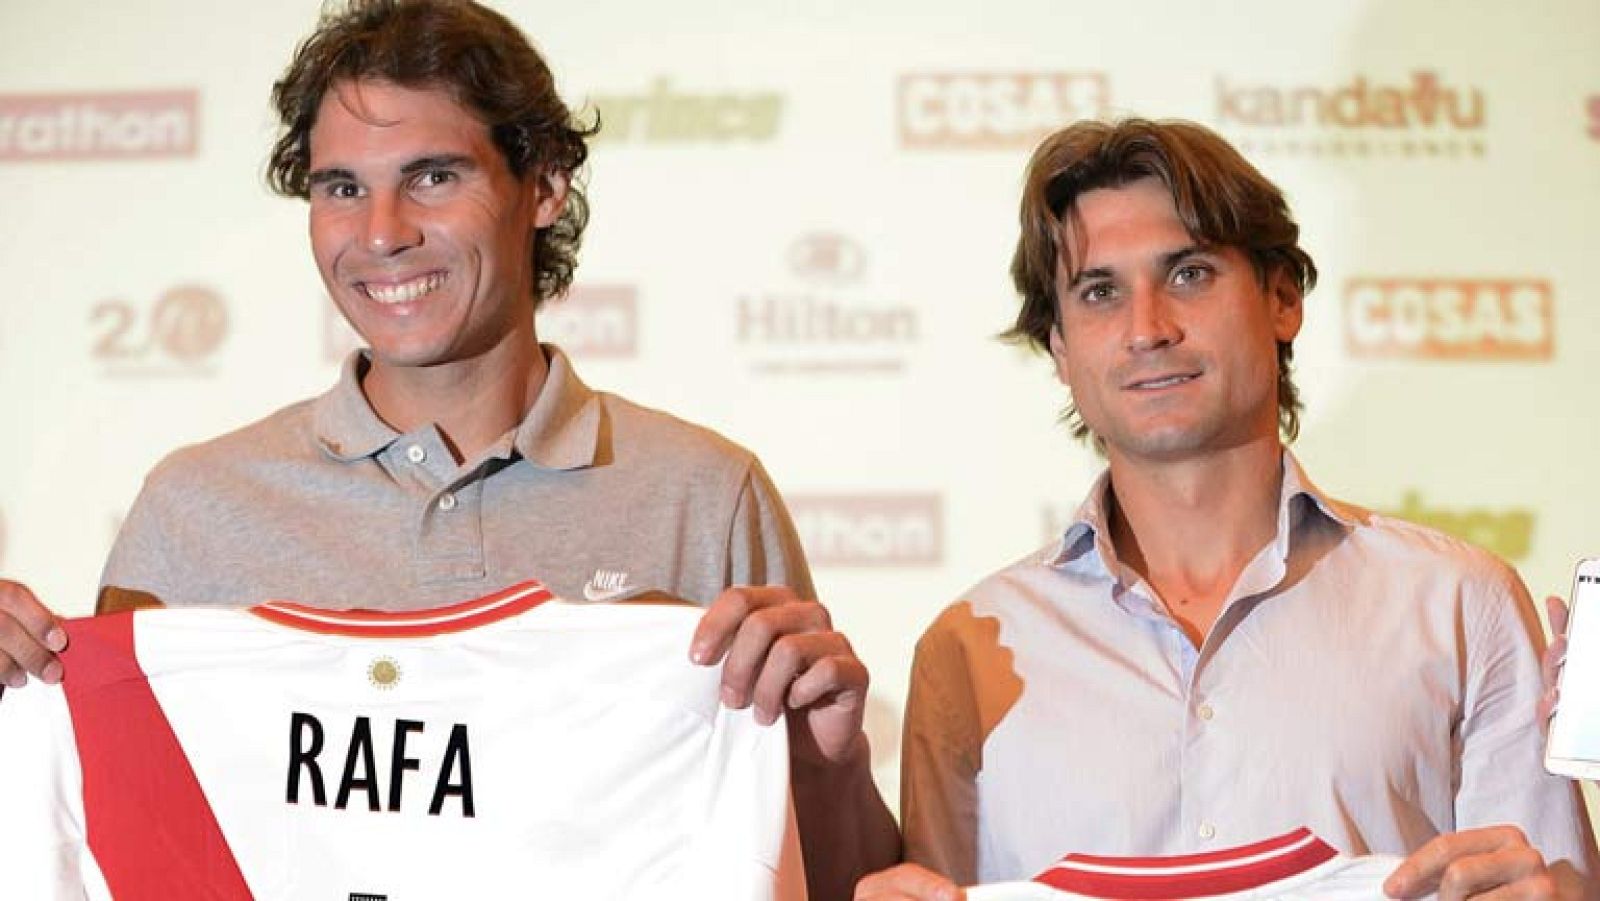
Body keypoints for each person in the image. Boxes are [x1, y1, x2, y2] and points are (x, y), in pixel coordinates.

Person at [0, 1, 897, 897]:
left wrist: (825, 762)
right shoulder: (194, 508)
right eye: (341, 187)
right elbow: (110, 857)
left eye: (432, 176)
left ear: (543, 185)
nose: (382, 231)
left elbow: (831, 880)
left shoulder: (705, 494)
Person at [856, 118, 1595, 901]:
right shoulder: (968, 650)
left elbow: (1550, 888)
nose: (1148, 329)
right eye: (1100, 292)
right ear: (1061, 350)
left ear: (1281, 298)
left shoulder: (1459, 604)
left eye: (1189, 274)